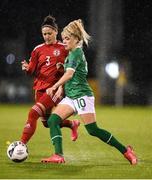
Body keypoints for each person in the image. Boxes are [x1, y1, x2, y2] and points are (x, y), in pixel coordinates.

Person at [41, 19, 138, 165]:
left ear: (76, 39)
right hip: (71, 96)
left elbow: (69, 74)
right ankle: (58, 155)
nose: (64, 42)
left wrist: (54, 86)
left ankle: (126, 151)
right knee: (53, 120)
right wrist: (61, 87)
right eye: (64, 39)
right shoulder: (71, 54)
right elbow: (67, 75)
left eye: (67, 38)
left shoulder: (76, 54)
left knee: (93, 130)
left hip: (82, 95)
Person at [20, 15, 80, 145]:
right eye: (44, 34)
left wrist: (62, 70)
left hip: (54, 89)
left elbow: (71, 67)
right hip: (39, 89)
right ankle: (72, 124)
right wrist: (27, 68)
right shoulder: (37, 49)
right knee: (46, 123)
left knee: (33, 114)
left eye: (49, 33)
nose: (46, 36)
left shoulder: (64, 47)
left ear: (56, 32)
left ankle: (21, 145)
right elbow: (32, 70)